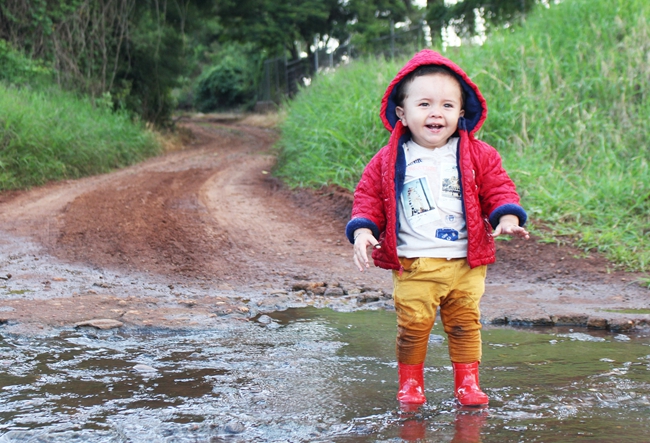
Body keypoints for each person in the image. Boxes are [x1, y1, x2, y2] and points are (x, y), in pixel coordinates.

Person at [345, 49, 529, 407]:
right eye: (425, 104)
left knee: (465, 324)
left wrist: (507, 216)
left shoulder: (478, 153)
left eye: (447, 105)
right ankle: (411, 383)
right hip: (415, 263)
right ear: (402, 112)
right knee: (414, 325)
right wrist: (364, 231)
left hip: (466, 262)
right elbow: (367, 196)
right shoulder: (389, 158)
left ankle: (468, 383)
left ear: (462, 112)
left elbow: (498, 187)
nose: (436, 113)